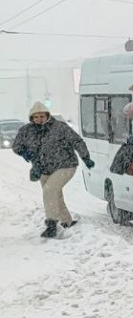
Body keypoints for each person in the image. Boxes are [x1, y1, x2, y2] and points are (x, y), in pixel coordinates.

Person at [12, 102, 95, 238]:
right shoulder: (26, 130)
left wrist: (85, 157)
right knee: (54, 194)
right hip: (43, 168)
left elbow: (77, 141)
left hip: (65, 165)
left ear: (47, 115)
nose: (40, 119)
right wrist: (26, 154)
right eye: (36, 117)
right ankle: (67, 221)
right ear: (31, 118)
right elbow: (17, 146)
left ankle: (51, 225)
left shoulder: (60, 128)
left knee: (49, 190)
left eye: (42, 116)